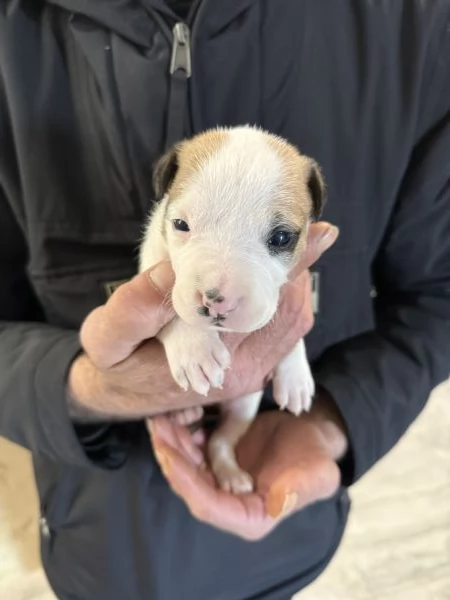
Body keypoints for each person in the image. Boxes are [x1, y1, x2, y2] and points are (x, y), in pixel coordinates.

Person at [1, 1, 449, 599]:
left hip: (285, 529)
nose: (217, 291)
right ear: (166, 196)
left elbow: (436, 295)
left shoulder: (414, 19)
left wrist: (330, 417)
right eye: (183, 226)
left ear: (315, 208)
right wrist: (83, 388)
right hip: (96, 546)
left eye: (279, 237)